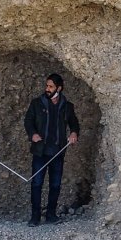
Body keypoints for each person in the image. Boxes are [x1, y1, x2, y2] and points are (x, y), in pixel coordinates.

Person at [23, 73, 80, 226]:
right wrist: (33, 134)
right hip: (40, 150)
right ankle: (35, 217)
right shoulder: (37, 103)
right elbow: (28, 121)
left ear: (59, 88)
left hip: (58, 151)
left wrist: (74, 133)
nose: (47, 89)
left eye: (51, 86)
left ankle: (51, 215)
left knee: (55, 184)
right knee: (36, 183)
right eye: (46, 86)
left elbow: (74, 123)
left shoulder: (67, 106)